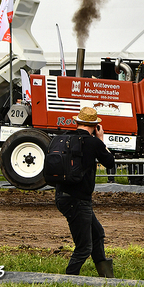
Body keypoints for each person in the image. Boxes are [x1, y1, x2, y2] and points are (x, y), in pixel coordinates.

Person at [55, 107, 115, 277]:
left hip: (62, 195)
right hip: (79, 200)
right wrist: (101, 139)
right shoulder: (93, 143)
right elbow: (110, 162)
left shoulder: (63, 138)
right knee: (84, 247)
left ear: (77, 122)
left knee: (97, 233)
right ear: (95, 125)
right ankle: (69, 278)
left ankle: (106, 276)